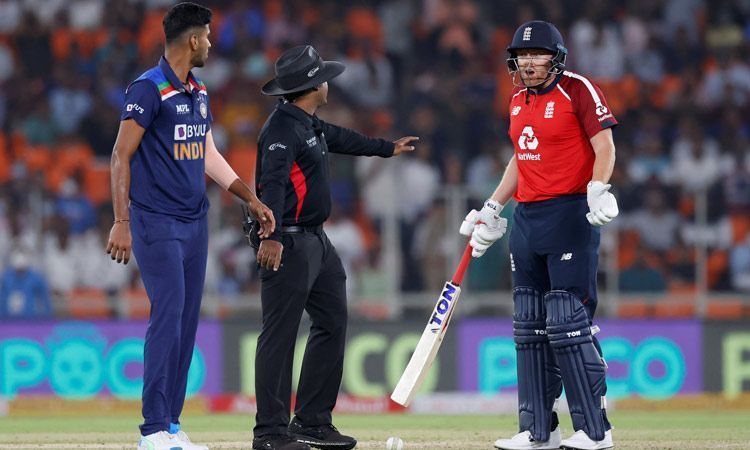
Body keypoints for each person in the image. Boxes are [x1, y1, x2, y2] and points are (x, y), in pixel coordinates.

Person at [105, 4, 274, 450]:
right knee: (168, 317)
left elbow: (208, 156)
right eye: (209, 37)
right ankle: (152, 430)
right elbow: (121, 154)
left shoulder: (198, 91)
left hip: (194, 222)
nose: (213, 44)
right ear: (193, 40)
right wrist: (121, 221)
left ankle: (171, 425)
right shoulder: (148, 88)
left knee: (184, 320)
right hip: (154, 220)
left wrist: (251, 198)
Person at [460, 21, 618, 450]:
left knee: (567, 323)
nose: (528, 63)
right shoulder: (516, 99)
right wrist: (493, 208)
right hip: (527, 218)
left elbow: (604, 145)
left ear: (557, 57)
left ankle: (594, 431)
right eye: (522, 55)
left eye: (537, 55)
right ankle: (537, 431)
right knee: (529, 328)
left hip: (568, 213)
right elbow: (522, 156)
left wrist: (599, 187)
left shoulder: (579, 89)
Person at [252, 45, 418, 450]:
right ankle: (270, 433)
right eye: (323, 76)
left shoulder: (308, 123)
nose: (328, 82)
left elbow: (342, 138)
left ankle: (311, 421)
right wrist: (270, 235)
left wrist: (385, 147)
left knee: (332, 322)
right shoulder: (280, 130)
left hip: (316, 242)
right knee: (279, 335)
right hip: (287, 241)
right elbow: (270, 184)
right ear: (313, 85)